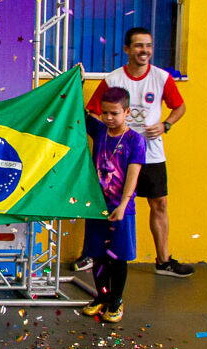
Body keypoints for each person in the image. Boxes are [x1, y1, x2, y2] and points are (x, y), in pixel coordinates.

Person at [85, 27, 192, 277]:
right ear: (127, 49)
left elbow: (180, 107)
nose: (145, 50)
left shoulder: (162, 77)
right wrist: (109, 138)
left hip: (151, 154)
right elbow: (91, 112)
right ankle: (93, 253)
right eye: (139, 45)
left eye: (148, 45)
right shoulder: (113, 80)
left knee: (159, 203)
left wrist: (166, 125)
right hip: (116, 159)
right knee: (104, 203)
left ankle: (163, 261)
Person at [80, 87, 146, 323]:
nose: (108, 118)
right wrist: (79, 81)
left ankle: (116, 300)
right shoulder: (100, 132)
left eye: (114, 113)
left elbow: (133, 175)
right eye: (105, 113)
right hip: (98, 206)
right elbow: (79, 111)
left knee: (118, 256)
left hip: (121, 208)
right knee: (98, 255)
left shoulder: (135, 141)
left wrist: (123, 204)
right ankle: (102, 296)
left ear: (127, 112)